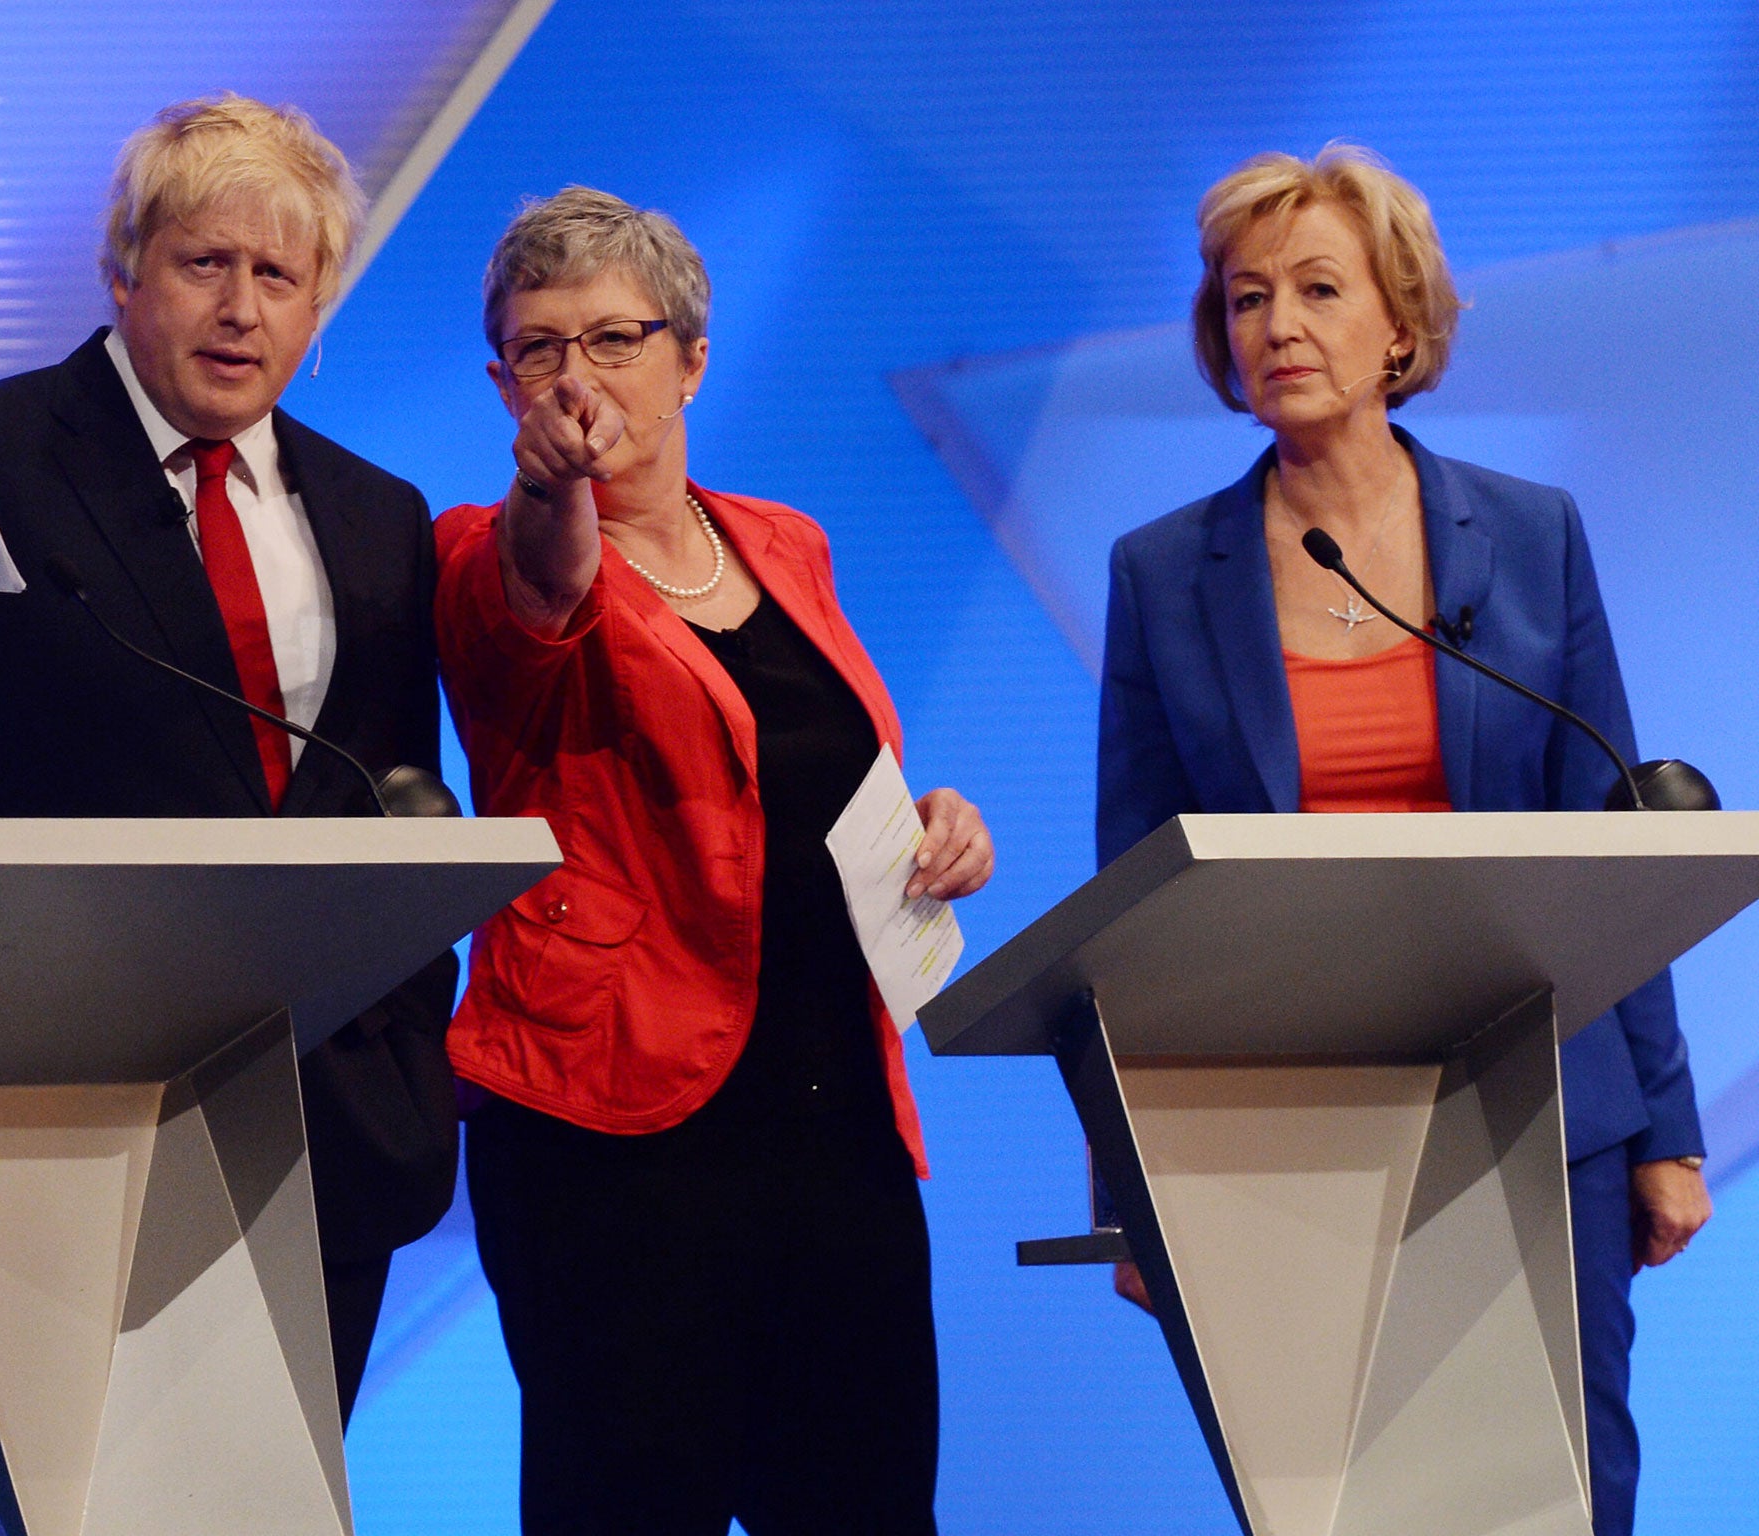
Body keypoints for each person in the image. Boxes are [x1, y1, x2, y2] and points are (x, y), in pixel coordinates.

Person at [0, 94, 456, 1532]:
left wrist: (409, 1043)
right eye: (204, 263)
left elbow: (388, 804)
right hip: (30, 1126)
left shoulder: (380, 513)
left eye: (279, 274)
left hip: (321, 1131)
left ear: (318, 305)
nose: (240, 308)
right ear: (124, 270)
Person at [1096, 143, 1711, 1536]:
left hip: (1544, 1096)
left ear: (1400, 326)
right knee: (1346, 1505)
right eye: (1248, 298)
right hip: (1289, 1123)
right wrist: (1129, 1186)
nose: (1279, 326)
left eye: (1319, 290)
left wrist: (1667, 1131)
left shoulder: (1534, 536)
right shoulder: (1163, 574)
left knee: (1569, 1496)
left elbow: (1610, 839)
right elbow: (1130, 898)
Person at [434, 186, 994, 1536]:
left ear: (690, 358)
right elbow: (543, 597)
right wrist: (550, 482)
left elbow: (818, 766)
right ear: (503, 384)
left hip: (836, 1127)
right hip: (613, 1141)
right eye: (537, 347)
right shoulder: (483, 547)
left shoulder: (785, 541)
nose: (575, 376)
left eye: (612, 339)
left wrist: (934, 825)